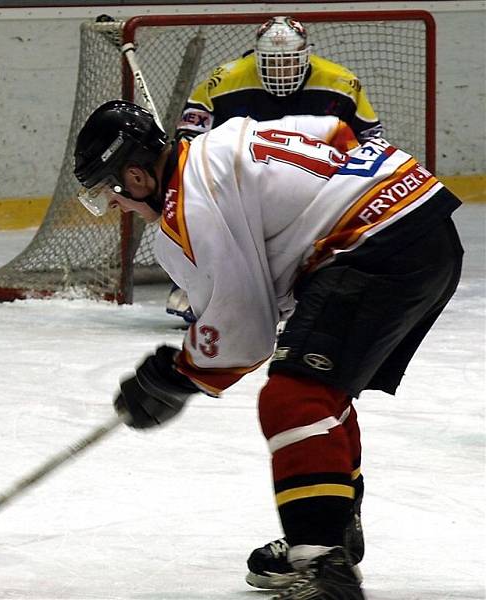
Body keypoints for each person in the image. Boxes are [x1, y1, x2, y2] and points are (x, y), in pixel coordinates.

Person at [73, 100, 462, 600]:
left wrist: (176, 374)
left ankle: (322, 563)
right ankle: (333, 533)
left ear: (137, 176)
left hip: (377, 249)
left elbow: (242, 330)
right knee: (323, 393)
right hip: (423, 226)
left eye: (110, 190)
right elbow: (336, 130)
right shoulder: (224, 142)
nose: (113, 204)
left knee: (293, 398)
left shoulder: (188, 210)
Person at [168, 16, 381, 330]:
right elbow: (187, 144)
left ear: (307, 55)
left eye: (289, 62)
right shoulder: (221, 83)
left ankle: (342, 283)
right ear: (256, 58)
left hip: (314, 187)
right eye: (271, 62)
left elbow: (372, 144)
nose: (281, 70)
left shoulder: (342, 83)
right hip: (245, 188)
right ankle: (203, 282)